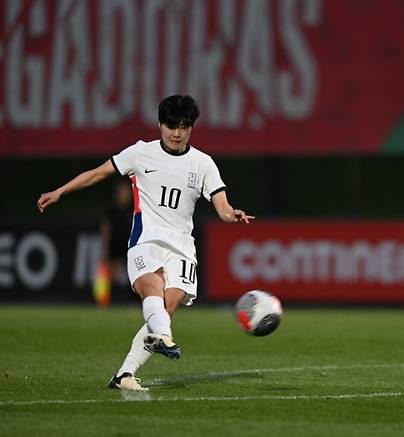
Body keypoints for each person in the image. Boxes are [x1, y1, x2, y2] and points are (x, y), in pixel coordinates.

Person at [37, 95, 254, 390]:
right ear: (160, 124)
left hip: (182, 247)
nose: (177, 133)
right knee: (153, 291)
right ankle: (164, 338)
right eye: (171, 126)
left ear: (192, 127)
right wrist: (61, 191)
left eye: (184, 126)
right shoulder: (140, 154)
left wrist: (231, 214)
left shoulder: (203, 163)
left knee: (168, 306)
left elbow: (222, 204)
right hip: (146, 240)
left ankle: (124, 375)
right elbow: (98, 173)